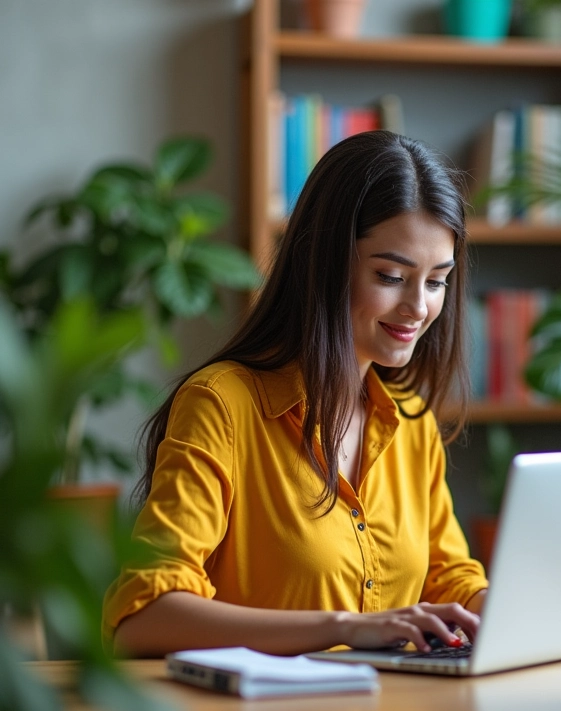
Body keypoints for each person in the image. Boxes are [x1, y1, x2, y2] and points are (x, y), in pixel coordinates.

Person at [103, 130, 488, 658]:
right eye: (392, 275)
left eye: (437, 282)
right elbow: (143, 616)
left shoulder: (411, 423)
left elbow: (449, 579)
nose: (418, 307)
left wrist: (501, 607)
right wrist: (344, 627)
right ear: (325, 263)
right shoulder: (222, 406)